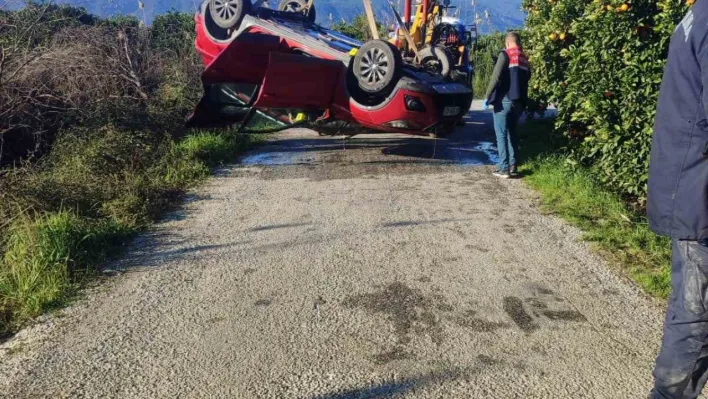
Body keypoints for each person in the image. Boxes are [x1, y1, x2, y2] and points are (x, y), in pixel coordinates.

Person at [647, 2, 708, 398]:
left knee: (692, 320)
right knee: (694, 324)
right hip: (698, 198)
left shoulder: (699, 13)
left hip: (691, 191)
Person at [483, 32, 531, 179]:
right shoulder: (524, 58)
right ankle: (513, 166)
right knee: (512, 132)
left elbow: (496, 76)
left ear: (508, 43)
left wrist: (487, 96)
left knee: (501, 133)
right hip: (519, 102)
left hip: (504, 100)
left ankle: (504, 168)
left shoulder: (505, 54)